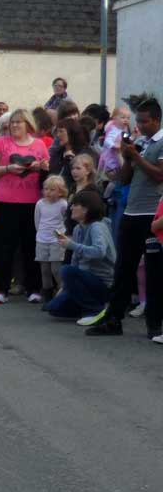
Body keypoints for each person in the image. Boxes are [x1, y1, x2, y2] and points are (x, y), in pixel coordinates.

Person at [85, 98, 163, 338]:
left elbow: (160, 175)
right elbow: (125, 178)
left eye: (144, 121)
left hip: (152, 212)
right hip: (131, 210)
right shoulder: (141, 141)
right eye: (136, 120)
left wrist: (138, 158)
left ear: (157, 120)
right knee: (123, 267)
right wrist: (128, 157)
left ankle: (154, 323)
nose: (139, 126)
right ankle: (114, 319)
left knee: (154, 270)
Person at [0, 108, 49, 304]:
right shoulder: (0, 143)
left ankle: (33, 288)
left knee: (30, 246)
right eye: (12, 122)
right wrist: (7, 168)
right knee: (4, 246)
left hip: (31, 201)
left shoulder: (38, 145)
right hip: (5, 200)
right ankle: (1, 288)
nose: (14, 125)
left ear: (28, 124)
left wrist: (42, 167)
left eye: (18, 122)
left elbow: (47, 169)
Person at [48, 189, 116, 319]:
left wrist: (71, 245)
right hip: (86, 280)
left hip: (104, 282)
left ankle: (95, 310)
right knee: (53, 308)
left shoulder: (97, 226)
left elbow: (99, 252)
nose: (71, 207)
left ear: (85, 209)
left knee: (66, 270)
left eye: (75, 205)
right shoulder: (78, 228)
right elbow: (76, 260)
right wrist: (65, 287)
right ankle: (92, 306)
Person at [34, 175, 69, 301]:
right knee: (44, 270)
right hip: (42, 240)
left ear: (60, 191)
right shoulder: (40, 204)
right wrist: (41, 234)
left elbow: (65, 221)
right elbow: (37, 221)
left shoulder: (63, 204)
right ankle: (47, 295)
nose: (47, 192)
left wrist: (60, 236)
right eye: (46, 189)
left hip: (56, 241)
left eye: (52, 189)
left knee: (56, 269)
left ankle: (62, 291)